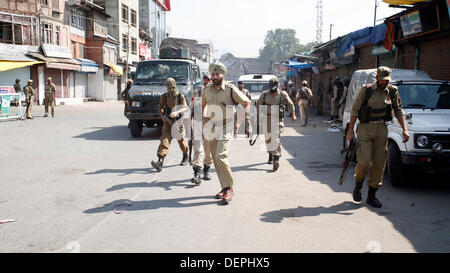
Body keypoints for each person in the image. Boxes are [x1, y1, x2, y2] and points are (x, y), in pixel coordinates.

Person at [347, 66, 409, 208]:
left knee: (379, 163)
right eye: (382, 80)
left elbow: (398, 110)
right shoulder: (366, 90)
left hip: (381, 129)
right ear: (376, 78)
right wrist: (350, 131)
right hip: (365, 128)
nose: (384, 82)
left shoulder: (392, 91)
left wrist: (405, 130)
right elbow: (355, 110)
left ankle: (372, 195)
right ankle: (358, 184)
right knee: (364, 162)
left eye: (387, 80)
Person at [202, 62, 251, 204]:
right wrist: (203, 119)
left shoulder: (230, 89)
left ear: (223, 75)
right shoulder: (207, 90)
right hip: (211, 125)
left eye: (217, 74)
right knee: (215, 158)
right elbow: (202, 104)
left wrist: (239, 123)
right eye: (213, 74)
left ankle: (229, 188)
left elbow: (247, 103)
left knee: (220, 155)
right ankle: (224, 187)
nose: (214, 76)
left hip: (226, 125)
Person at [257, 77, 296, 171]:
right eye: (271, 88)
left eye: (274, 88)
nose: (272, 91)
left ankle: (276, 158)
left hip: (278, 119)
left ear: (277, 85)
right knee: (268, 139)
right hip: (267, 119)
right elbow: (258, 105)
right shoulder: (265, 94)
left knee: (276, 137)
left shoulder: (283, 94)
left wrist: (293, 115)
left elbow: (291, 104)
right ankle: (271, 154)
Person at [151, 78, 190, 172]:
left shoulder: (180, 95)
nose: (170, 87)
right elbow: (160, 107)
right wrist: (162, 116)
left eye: (172, 85)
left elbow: (185, 108)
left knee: (181, 140)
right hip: (168, 122)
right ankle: (160, 161)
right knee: (164, 140)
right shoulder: (164, 96)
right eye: (168, 85)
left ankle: (185, 155)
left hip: (178, 121)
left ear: (175, 85)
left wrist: (177, 112)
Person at [190, 72, 214, 184]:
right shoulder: (197, 93)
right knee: (197, 150)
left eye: (208, 80)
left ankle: (207, 170)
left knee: (208, 151)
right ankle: (197, 174)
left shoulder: (215, 94)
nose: (206, 82)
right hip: (198, 123)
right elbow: (192, 108)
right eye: (205, 80)